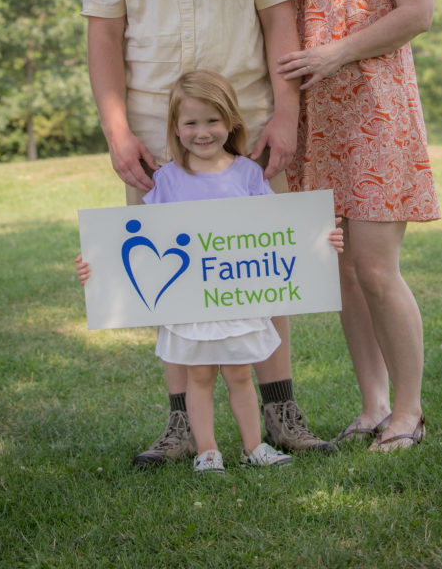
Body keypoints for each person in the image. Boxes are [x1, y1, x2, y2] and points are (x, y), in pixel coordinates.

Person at [81, 0, 337, 465]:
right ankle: (178, 426)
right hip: (157, 139)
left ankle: (280, 412)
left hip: (246, 129)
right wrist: (116, 131)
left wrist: (284, 117)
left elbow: (279, 18)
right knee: (165, 276)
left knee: (263, 271)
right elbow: (103, 34)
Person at [276, 0, 441, 452]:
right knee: (339, 269)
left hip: (375, 110)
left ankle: (408, 412)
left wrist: (337, 51)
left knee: (375, 267)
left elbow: (418, 10)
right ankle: (371, 404)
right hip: (313, 117)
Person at [77, 71, 345, 473]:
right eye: (191, 123)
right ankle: (206, 451)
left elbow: (275, 233)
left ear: (231, 122)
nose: (202, 132)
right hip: (192, 305)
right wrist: (97, 268)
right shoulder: (166, 181)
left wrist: (319, 245)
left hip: (236, 300)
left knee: (239, 374)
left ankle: (254, 447)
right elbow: (142, 241)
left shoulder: (249, 174)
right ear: (175, 128)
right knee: (199, 377)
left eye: (212, 121)